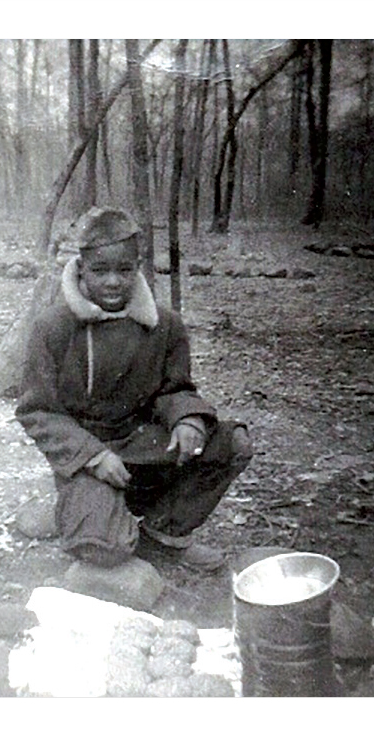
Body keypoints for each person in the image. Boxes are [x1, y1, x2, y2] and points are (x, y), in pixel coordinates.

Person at [16, 207, 252, 571]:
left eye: (124, 270)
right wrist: (93, 456)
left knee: (231, 443)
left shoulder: (164, 325)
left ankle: (164, 534)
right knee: (103, 552)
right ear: (81, 269)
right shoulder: (53, 327)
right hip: (87, 458)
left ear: (137, 267)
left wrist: (187, 419)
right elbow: (38, 410)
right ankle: (90, 510)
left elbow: (174, 390)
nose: (113, 282)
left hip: (144, 446)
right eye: (100, 271)